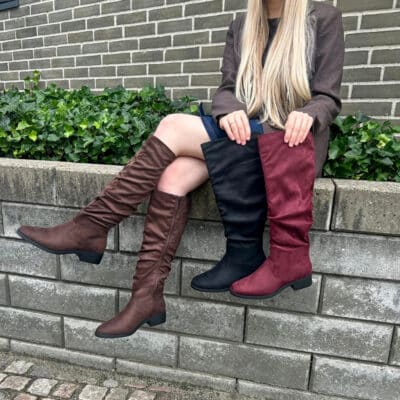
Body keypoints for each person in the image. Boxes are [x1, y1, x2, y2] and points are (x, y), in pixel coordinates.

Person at [16, 0, 345, 338]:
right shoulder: (242, 25)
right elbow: (227, 90)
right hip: (243, 137)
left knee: (173, 126)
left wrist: (310, 113)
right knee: (173, 177)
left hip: (288, 146)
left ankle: (91, 226)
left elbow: (328, 96)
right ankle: (146, 296)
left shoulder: (322, 18)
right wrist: (228, 110)